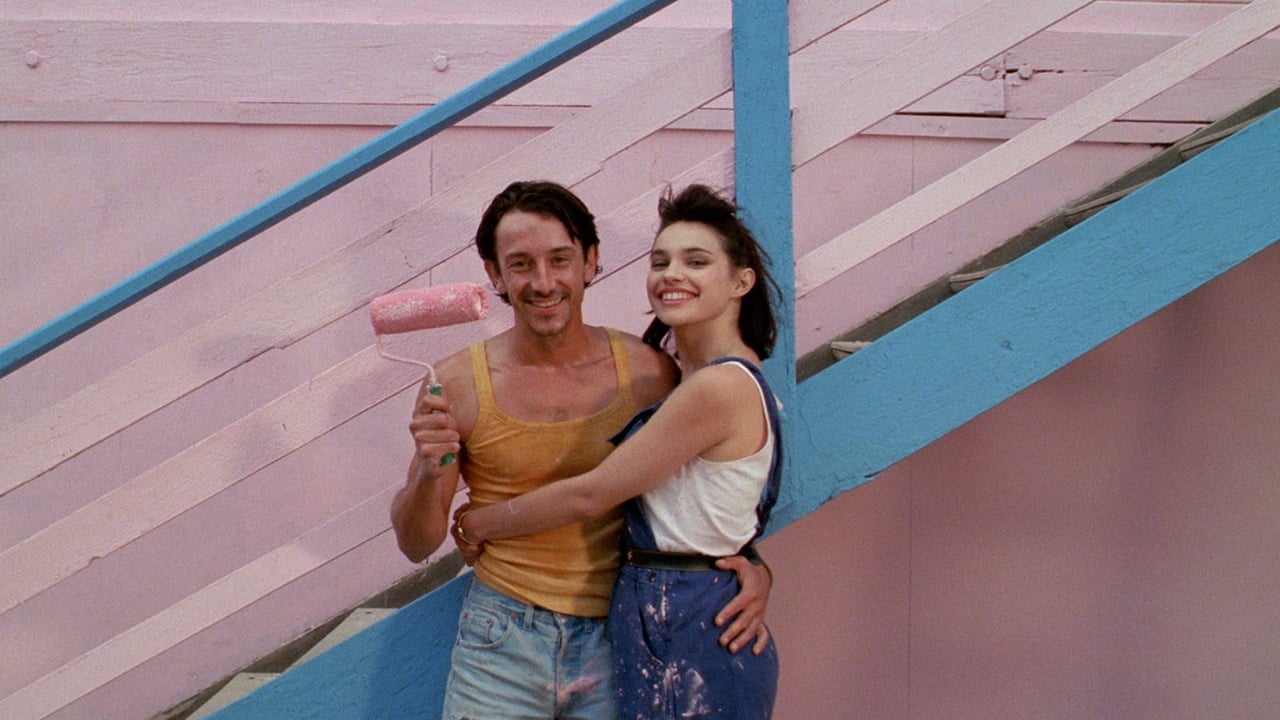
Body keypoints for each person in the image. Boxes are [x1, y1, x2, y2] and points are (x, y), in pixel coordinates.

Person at [389, 180, 773, 720]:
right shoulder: (455, 385)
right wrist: (429, 473)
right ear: (495, 274)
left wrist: (750, 565)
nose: (543, 282)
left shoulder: (650, 373)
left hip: (621, 637)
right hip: (500, 637)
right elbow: (416, 544)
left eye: (560, 259)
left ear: (590, 262)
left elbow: (706, 491)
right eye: (520, 264)